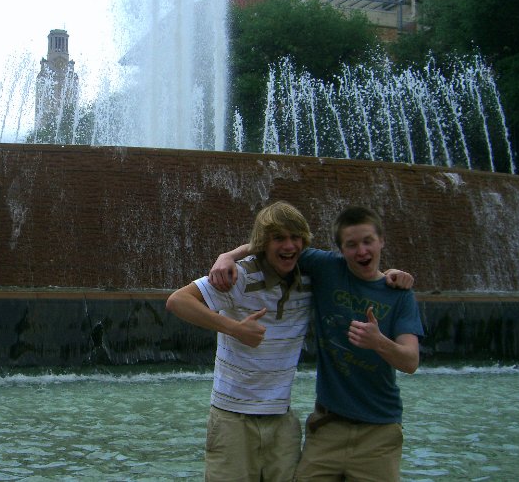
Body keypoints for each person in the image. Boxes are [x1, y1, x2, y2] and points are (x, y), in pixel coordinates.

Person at [209, 205, 423, 482]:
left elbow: (410, 361)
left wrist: (379, 342)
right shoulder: (325, 267)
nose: (361, 252)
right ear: (340, 250)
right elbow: (270, 244)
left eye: (368, 241)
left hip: (379, 431)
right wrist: (228, 256)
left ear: (381, 241)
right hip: (327, 428)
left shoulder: (400, 295)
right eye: (351, 245)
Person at [166, 200, 313, 482]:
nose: (289, 246)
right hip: (232, 418)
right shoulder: (239, 275)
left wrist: (388, 277)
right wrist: (234, 328)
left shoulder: (310, 276)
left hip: (282, 418)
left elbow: (352, 269)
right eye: (279, 238)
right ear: (263, 243)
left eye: (295, 238)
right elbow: (177, 301)